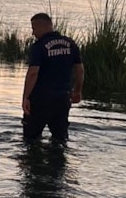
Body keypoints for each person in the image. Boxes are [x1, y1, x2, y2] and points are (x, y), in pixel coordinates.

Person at [21, 13, 84, 142]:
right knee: (60, 138)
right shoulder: (70, 44)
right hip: (62, 99)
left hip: (40, 99)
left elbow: (33, 73)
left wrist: (26, 97)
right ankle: (57, 160)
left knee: (30, 139)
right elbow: (80, 70)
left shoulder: (39, 47)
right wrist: (77, 91)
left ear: (42, 27)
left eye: (34, 28)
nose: (33, 33)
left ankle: (32, 160)